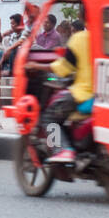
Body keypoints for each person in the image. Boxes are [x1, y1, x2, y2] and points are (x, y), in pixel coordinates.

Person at [33, 25, 92, 165]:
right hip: (107, 95)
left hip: (84, 93)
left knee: (48, 116)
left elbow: (63, 68)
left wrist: (36, 66)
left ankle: (60, 149)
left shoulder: (80, 39)